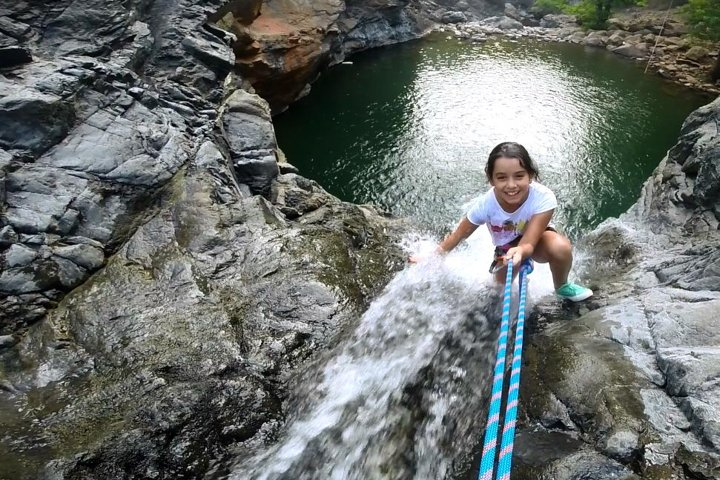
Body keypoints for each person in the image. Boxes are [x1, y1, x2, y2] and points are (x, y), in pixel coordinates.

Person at [412, 141, 593, 302]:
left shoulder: (544, 198)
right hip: (505, 249)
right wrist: (432, 258)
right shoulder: (485, 205)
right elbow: (460, 234)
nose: (511, 185)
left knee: (560, 247)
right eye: (501, 178)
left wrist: (521, 251)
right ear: (491, 179)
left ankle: (562, 286)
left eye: (519, 176)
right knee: (497, 292)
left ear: (530, 175)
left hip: (536, 240)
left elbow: (529, 241)